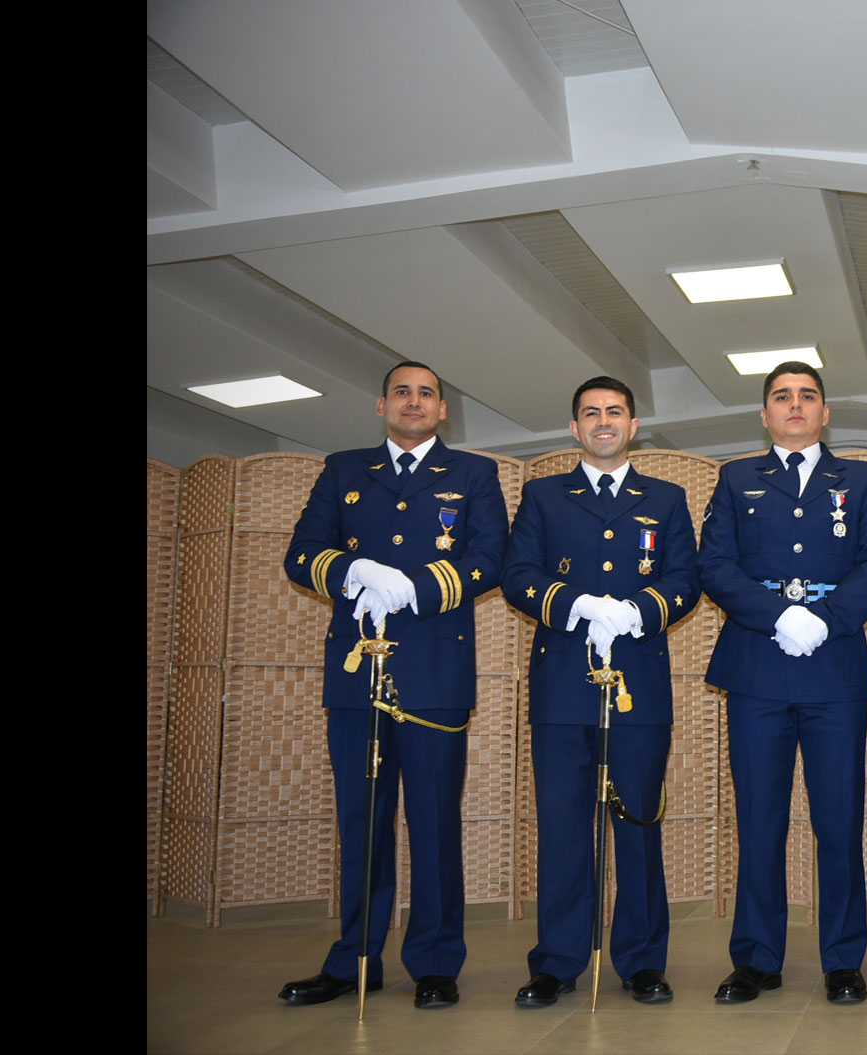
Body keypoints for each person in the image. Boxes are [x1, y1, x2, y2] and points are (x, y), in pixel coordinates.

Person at [279, 361, 505, 1010]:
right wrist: (356, 572)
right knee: (362, 823)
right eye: (401, 392)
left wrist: (419, 586)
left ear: (443, 411)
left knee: (435, 823)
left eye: (426, 394)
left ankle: (435, 962)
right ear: (382, 405)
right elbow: (302, 552)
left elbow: (490, 557)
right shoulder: (344, 468)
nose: (413, 402)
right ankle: (355, 959)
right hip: (358, 672)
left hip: (435, 674)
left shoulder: (473, 474)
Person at [696, 362, 867, 1005]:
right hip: (757, 668)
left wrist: (827, 620)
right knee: (759, 820)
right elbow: (714, 565)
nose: (795, 406)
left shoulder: (860, 480)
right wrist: (779, 615)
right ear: (764, 414)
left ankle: (842, 959)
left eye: (807, 396)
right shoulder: (735, 479)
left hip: (833, 671)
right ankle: (756, 958)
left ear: (825, 412)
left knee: (838, 821)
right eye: (781, 397)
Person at [501, 376, 700, 1007]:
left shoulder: (666, 498)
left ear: (633, 425)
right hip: (563, 684)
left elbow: (685, 581)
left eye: (615, 412)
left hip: (637, 684)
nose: (604, 421)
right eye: (591, 413)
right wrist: (576, 605)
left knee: (638, 825)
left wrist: (639, 611)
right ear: (574, 428)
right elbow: (517, 576)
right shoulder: (542, 495)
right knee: (563, 829)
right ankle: (556, 962)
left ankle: (642, 961)